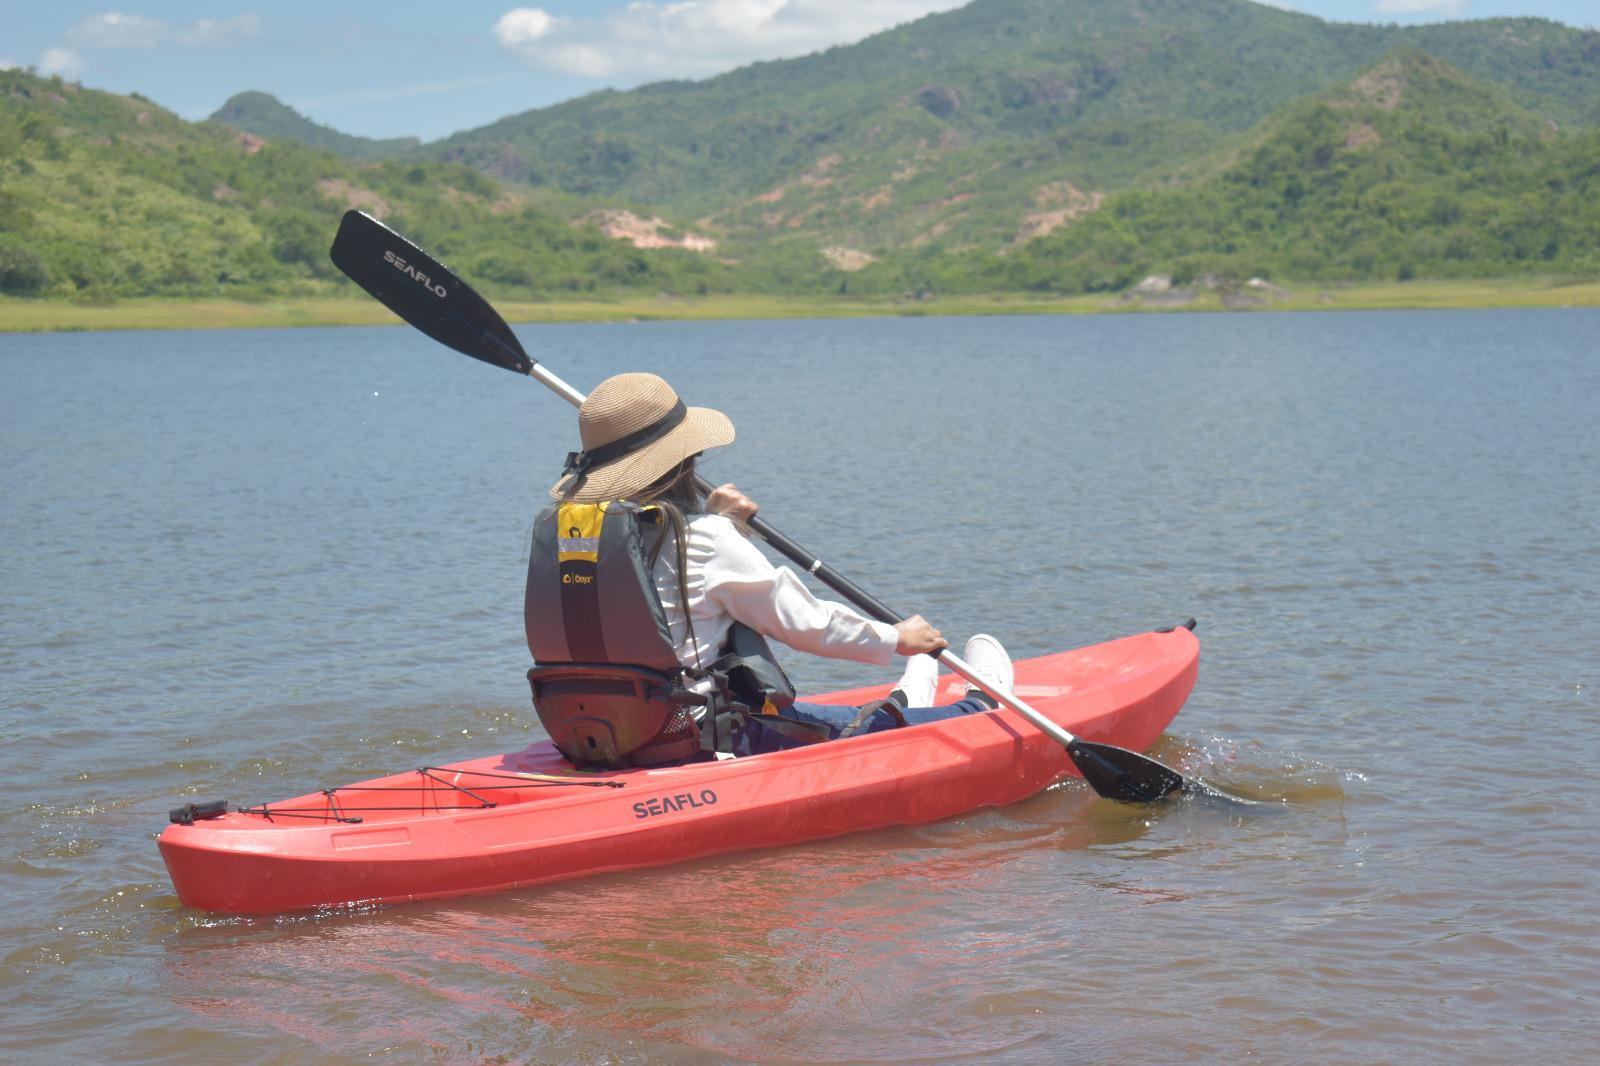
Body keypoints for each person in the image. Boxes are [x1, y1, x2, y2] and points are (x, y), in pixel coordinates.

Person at [524, 372, 1013, 766]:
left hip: (599, 733)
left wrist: (720, 524)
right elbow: (806, 625)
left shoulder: (572, 540)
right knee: (849, 729)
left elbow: (674, 585)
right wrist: (896, 638)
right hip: (696, 739)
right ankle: (980, 704)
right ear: (686, 458)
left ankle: (911, 691)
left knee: (832, 715)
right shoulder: (707, 539)